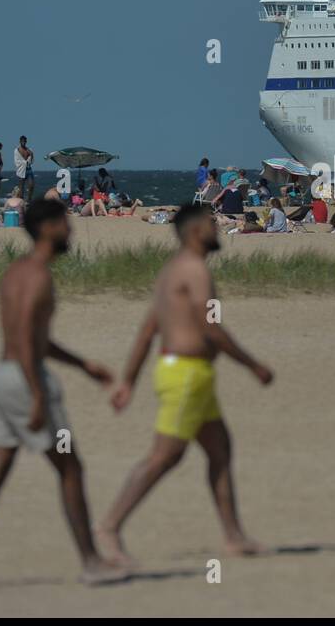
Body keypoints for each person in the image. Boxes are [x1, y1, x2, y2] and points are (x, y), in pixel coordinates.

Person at [0, 199, 125, 586]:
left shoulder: (16, 272)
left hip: (0, 379)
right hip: (25, 383)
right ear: (47, 227)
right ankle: (91, 563)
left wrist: (83, 365)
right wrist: (35, 394)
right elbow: (28, 341)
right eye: (65, 222)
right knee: (70, 469)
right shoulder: (40, 278)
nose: (71, 228)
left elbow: (28, 336)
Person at [96, 203, 273, 563]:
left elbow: (148, 330)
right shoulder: (195, 271)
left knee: (220, 451)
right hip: (186, 375)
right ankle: (109, 527)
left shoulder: (171, 271)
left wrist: (128, 381)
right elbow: (210, 326)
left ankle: (234, 537)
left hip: (192, 375)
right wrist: (253, 365)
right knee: (165, 457)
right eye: (211, 225)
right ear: (195, 233)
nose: (218, 229)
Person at [14, 137, 35, 203]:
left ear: (26, 141)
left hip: (28, 169)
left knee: (31, 185)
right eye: (22, 141)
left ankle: (29, 199)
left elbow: (32, 161)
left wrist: (31, 155)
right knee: (21, 187)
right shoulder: (17, 150)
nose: (23, 142)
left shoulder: (29, 150)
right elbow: (16, 161)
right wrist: (25, 162)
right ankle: (21, 200)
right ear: (20, 141)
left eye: (24, 141)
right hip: (21, 170)